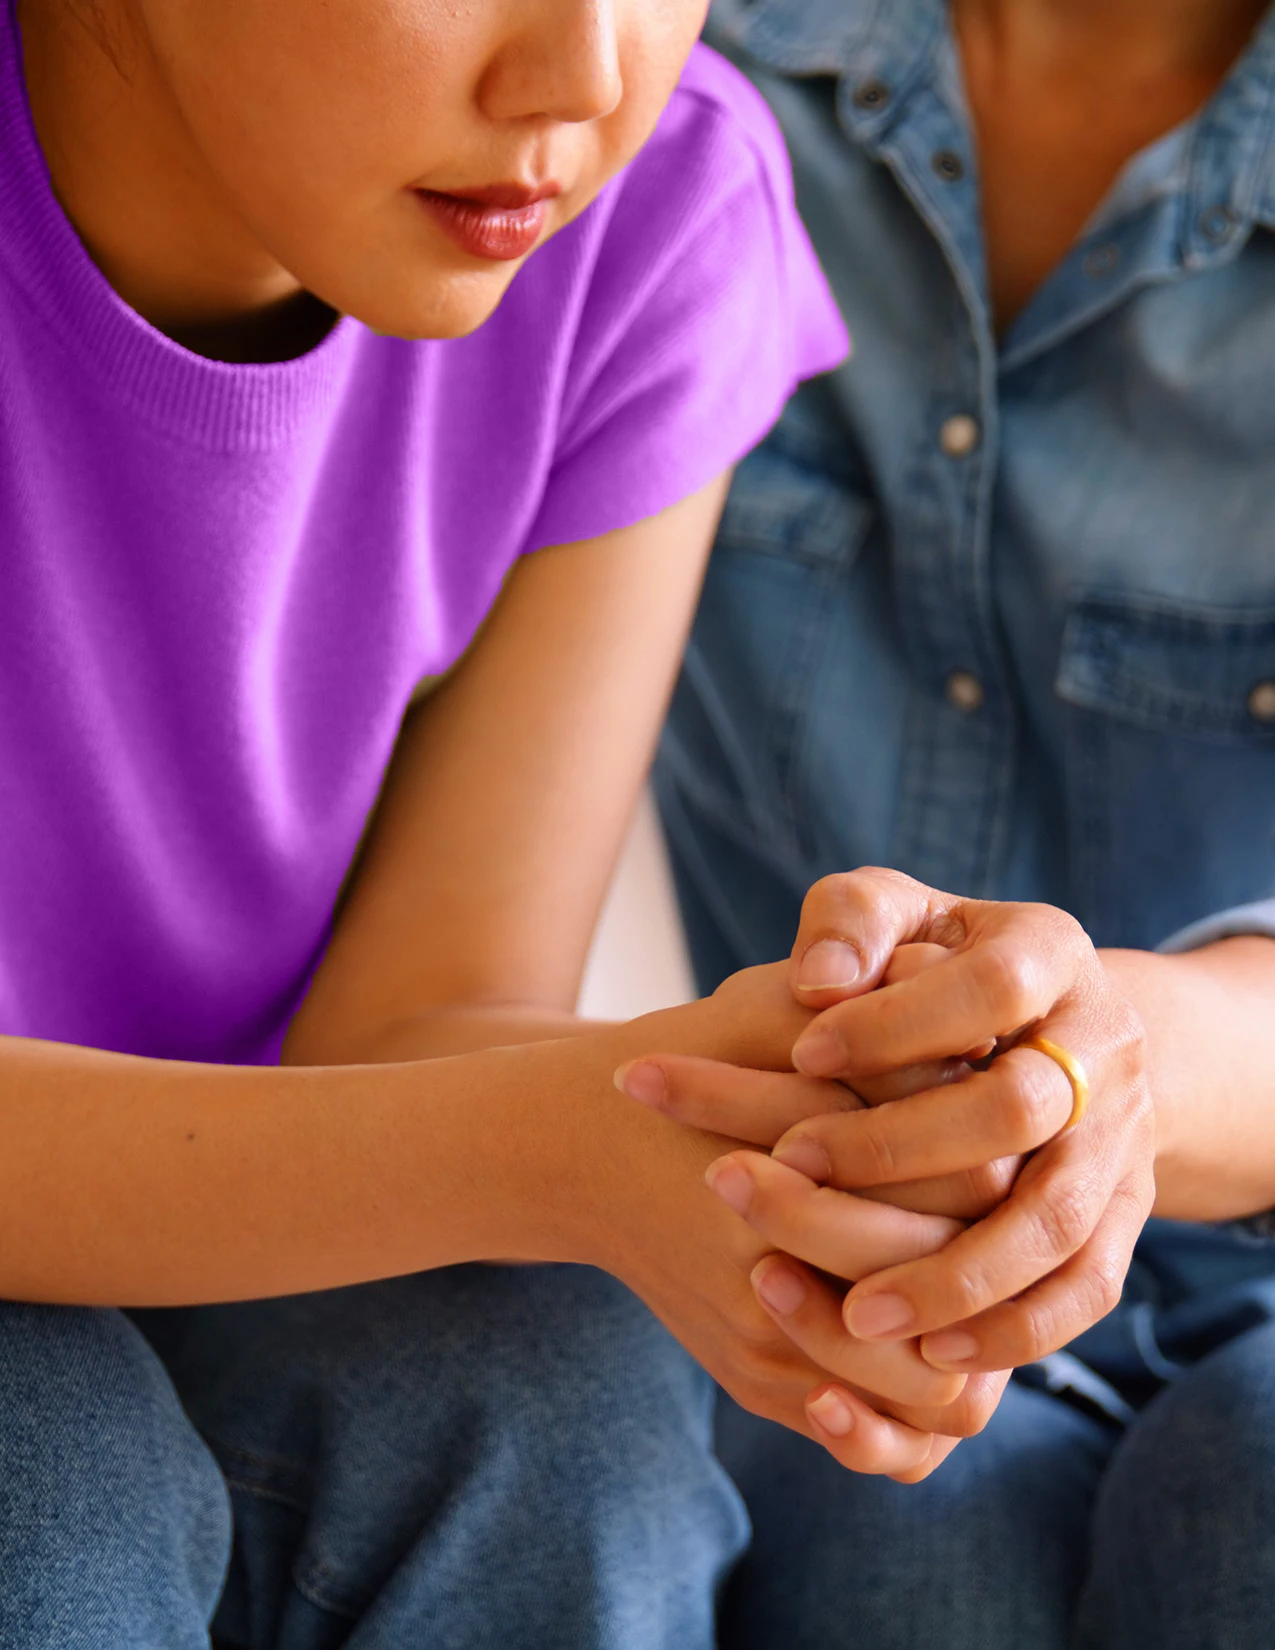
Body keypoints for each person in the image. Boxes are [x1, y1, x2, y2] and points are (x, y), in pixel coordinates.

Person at [0, 2, 987, 1645]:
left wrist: (763, 1113)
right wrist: (551, 1145)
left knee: (557, 1398)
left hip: (248, 1208)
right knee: (51, 1473)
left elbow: (421, 1013)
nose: (585, 77)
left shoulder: (650, 209)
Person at [644, 0, 1275, 1644]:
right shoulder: (672, 74)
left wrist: (1091, 1061)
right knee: (900, 1563)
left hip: (1237, 1235)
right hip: (831, 1261)